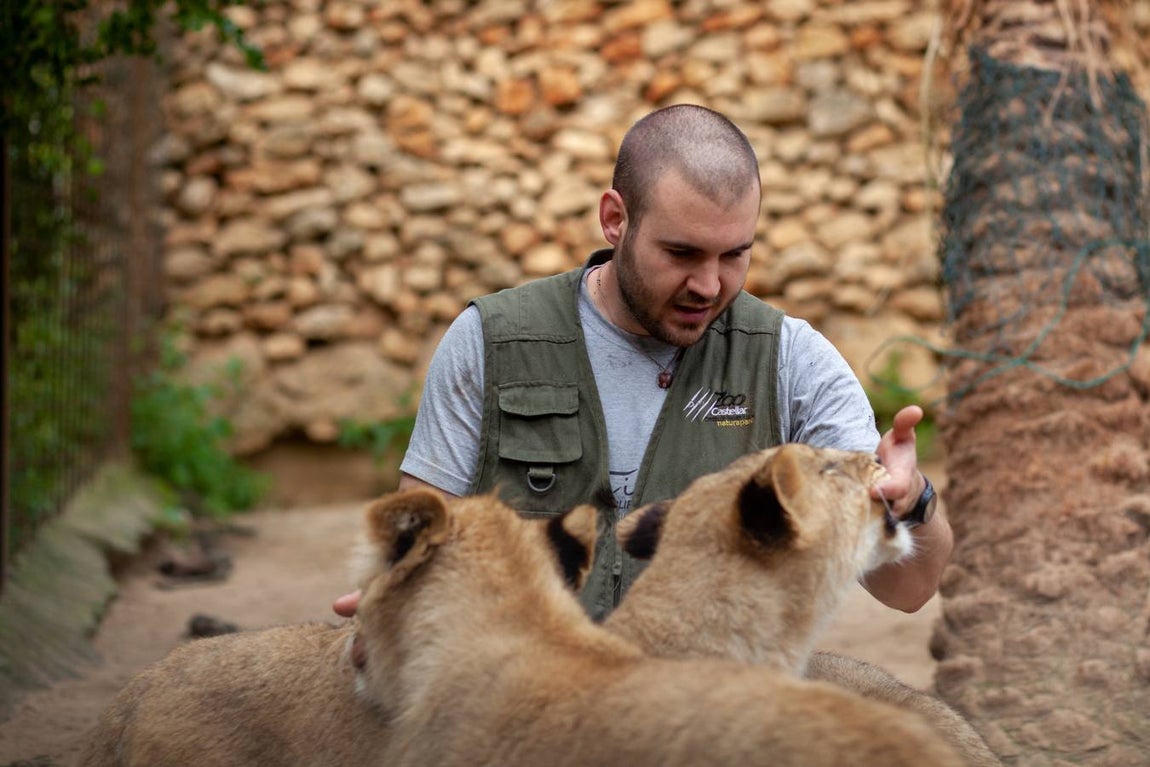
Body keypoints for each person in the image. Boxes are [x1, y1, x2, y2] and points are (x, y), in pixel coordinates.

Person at [334, 104, 952, 621]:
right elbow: (413, 548)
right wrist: (391, 598)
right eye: (681, 253)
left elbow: (908, 591)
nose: (709, 285)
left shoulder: (792, 362)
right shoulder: (489, 342)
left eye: (735, 254)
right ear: (615, 220)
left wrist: (913, 498)